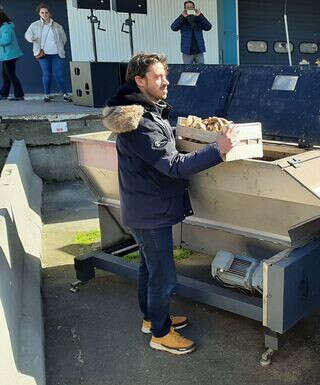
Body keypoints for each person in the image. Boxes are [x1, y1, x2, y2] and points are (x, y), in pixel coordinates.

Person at [102, 53, 236, 355]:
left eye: (165, 75)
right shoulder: (140, 123)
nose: (166, 82)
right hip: (150, 212)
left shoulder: (146, 111)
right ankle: (161, 334)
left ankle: (152, 318)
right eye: (158, 76)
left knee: (150, 269)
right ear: (140, 81)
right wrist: (218, 149)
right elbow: (173, 165)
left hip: (144, 206)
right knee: (163, 274)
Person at [25, 3, 72, 103]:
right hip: (43, 55)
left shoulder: (57, 26)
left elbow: (64, 39)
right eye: (42, 12)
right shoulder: (34, 25)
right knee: (47, 74)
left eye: (46, 12)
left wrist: (59, 47)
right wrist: (31, 38)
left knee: (59, 75)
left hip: (57, 54)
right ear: (39, 13)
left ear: (50, 13)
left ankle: (65, 94)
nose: (44, 14)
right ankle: (47, 95)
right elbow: (27, 35)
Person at [0, 9, 24, 101]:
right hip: (7, 55)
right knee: (6, 75)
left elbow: (6, 41)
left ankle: (19, 95)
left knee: (11, 75)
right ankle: (3, 94)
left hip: (9, 55)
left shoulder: (6, 27)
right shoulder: (4, 27)